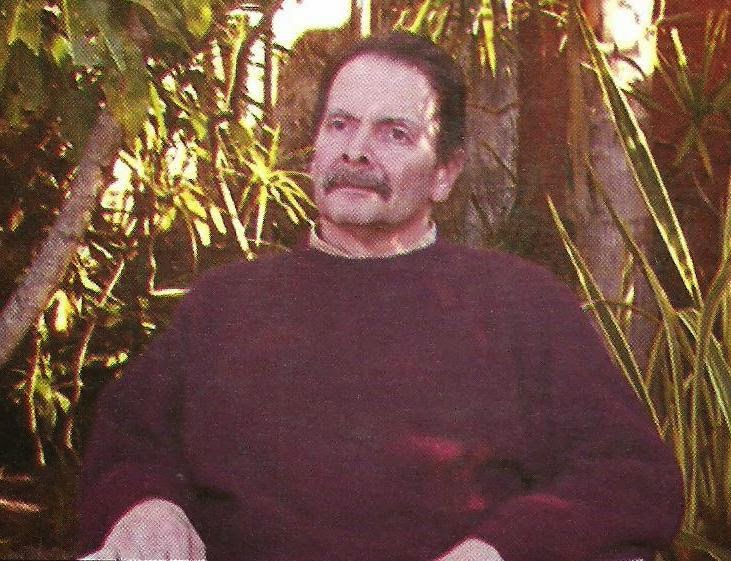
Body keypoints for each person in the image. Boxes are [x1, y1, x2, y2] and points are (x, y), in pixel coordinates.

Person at [78, 32, 683, 561]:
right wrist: (147, 507)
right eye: (340, 125)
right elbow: (129, 446)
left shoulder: (520, 305)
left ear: (445, 173)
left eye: (394, 133)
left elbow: (629, 476)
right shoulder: (223, 304)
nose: (355, 151)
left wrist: (501, 549)